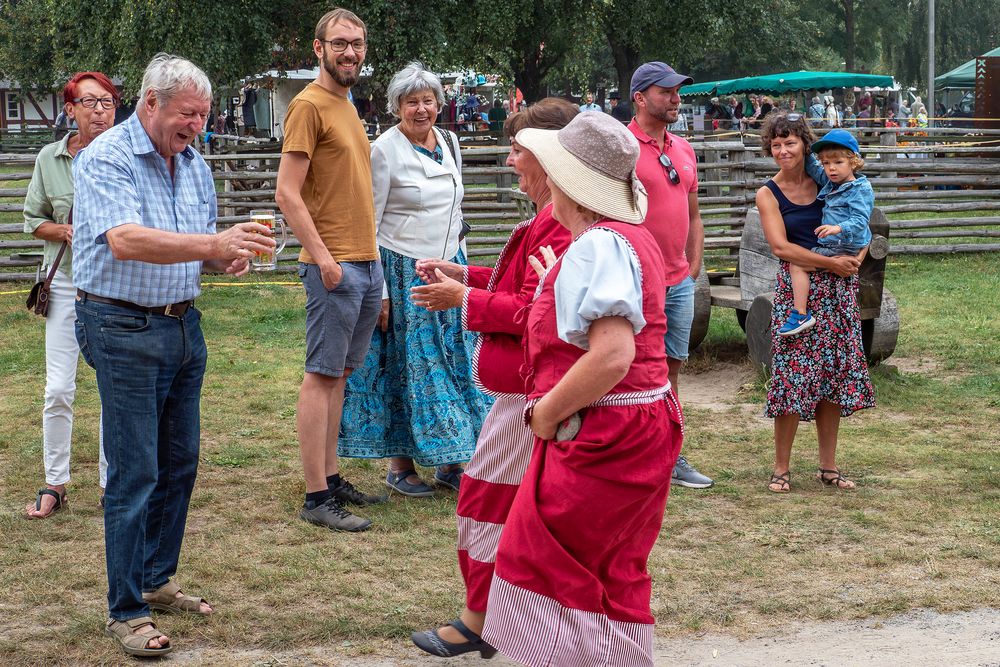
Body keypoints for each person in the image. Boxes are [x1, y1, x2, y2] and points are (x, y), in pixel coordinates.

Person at [72, 53, 275, 657]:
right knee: (136, 471)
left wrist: (223, 257)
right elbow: (126, 240)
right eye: (188, 114)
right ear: (151, 103)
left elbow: (197, 249)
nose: (196, 127)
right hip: (121, 324)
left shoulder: (194, 166)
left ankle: (155, 580)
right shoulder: (106, 157)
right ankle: (125, 609)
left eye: (204, 116)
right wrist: (211, 242)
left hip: (183, 326)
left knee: (179, 464)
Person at [478, 111, 682, 667]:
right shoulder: (620, 239)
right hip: (637, 426)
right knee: (608, 567)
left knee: (549, 561)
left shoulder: (597, 245)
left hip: (606, 434)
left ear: (569, 183)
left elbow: (613, 355)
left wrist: (545, 413)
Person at [408, 98, 577, 658]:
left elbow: (538, 313)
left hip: (526, 397)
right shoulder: (554, 219)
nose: (510, 162)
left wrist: (466, 299)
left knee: (484, 506)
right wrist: (466, 273)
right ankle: (520, 619)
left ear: (550, 158)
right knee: (524, 512)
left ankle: (480, 620)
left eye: (517, 150)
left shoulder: (557, 226)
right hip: (529, 395)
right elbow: (525, 291)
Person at [338, 62, 490, 496]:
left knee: (460, 361)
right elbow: (368, 221)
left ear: (439, 104)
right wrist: (381, 292)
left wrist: (465, 267)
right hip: (404, 272)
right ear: (396, 107)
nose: (421, 109)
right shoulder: (383, 150)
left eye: (428, 100)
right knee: (412, 366)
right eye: (411, 102)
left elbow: (456, 215)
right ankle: (400, 466)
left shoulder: (451, 142)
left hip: (448, 266)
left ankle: (452, 461)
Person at [276, 8, 387, 533]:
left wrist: (371, 259)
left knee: (340, 374)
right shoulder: (308, 106)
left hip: (364, 262)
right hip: (334, 266)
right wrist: (323, 258)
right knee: (320, 376)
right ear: (317, 49)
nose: (351, 52)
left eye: (358, 44)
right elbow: (286, 192)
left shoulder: (345, 105)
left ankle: (331, 474)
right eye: (340, 43)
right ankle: (315, 496)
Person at [754, 111, 875, 494]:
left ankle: (828, 466)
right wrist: (832, 263)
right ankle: (781, 468)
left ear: (806, 144)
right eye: (776, 144)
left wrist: (858, 256)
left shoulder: (830, 180)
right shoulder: (767, 193)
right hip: (798, 293)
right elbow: (780, 247)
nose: (784, 150)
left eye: (790, 142)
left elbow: (864, 218)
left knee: (832, 380)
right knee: (791, 378)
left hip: (838, 291)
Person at [23, 72, 117, 519]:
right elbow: (32, 219)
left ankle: (110, 483)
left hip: (114, 289)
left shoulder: (127, 156)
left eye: (108, 102)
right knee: (59, 387)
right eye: (90, 103)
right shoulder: (50, 158)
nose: (100, 111)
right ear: (70, 109)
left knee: (112, 390)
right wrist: (65, 230)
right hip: (64, 286)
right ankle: (54, 484)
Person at [628, 61, 713, 489]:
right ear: (640, 98)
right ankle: (633, 455)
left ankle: (670, 456)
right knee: (629, 370)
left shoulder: (683, 148)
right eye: (666, 91)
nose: (676, 98)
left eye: (678, 91)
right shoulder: (621, 145)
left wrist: (692, 268)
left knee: (670, 370)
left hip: (678, 281)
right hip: (634, 282)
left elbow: (695, 216)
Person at [781, 129, 874, 336]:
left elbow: (861, 220)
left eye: (838, 162)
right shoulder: (832, 182)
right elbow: (813, 168)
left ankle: (800, 313)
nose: (831, 168)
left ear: (853, 162)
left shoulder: (860, 189)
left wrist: (838, 227)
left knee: (797, 264)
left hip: (843, 245)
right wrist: (803, 147)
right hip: (835, 245)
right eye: (826, 163)